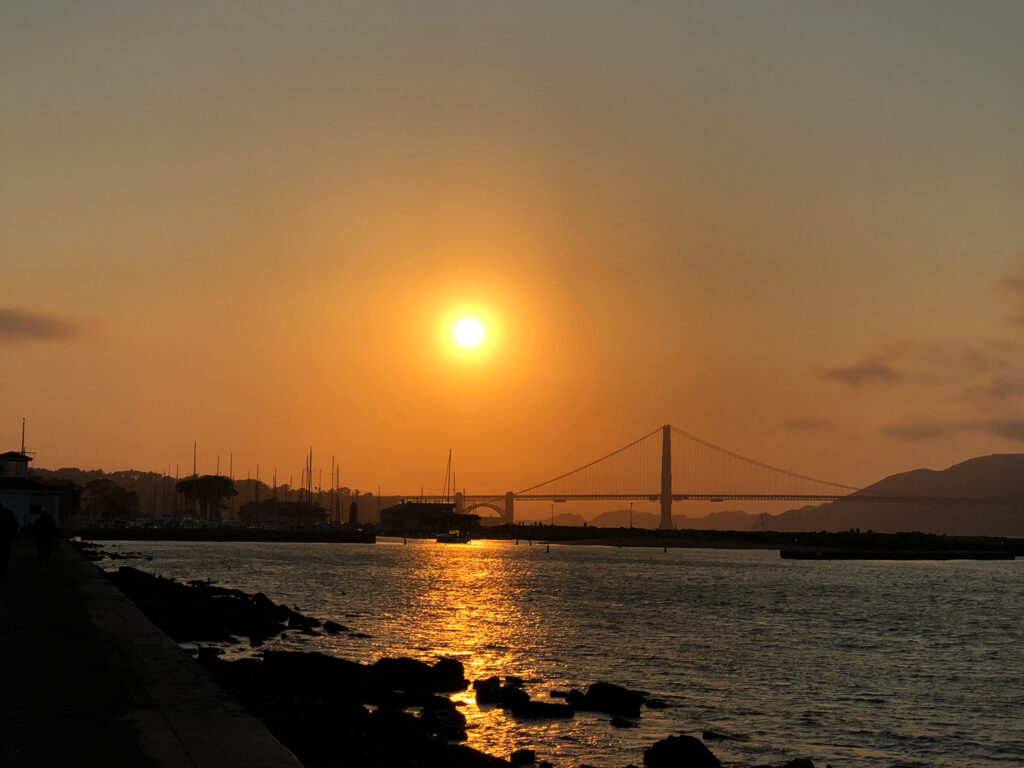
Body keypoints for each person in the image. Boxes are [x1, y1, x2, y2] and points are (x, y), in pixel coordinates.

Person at [0, 502, 17, 576]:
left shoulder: (9, 514)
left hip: (5, 538)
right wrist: (12, 537)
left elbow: (15, 526)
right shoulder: (9, 514)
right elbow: (15, 526)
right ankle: (3, 570)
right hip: (5, 539)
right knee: (4, 555)